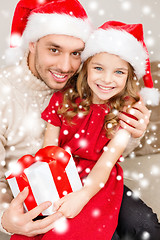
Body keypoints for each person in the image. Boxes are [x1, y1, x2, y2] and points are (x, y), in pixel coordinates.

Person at [0, 0, 156, 238]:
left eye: (76, 53)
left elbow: (108, 142)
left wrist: (134, 131)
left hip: (93, 178)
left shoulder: (87, 79)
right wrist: (5, 218)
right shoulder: (5, 94)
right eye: (54, 49)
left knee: (144, 226)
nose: (65, 66)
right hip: (34, 188)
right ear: (31, 43)